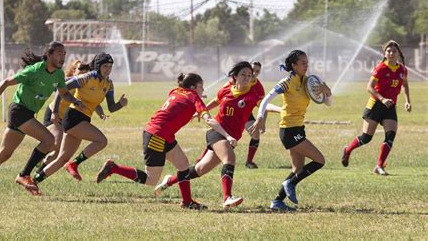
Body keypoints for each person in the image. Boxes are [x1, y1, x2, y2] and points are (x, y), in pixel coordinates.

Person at [0, 41, 83, 199]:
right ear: (49, 55)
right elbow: (5, 83)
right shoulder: (33, 71)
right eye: (59, 53)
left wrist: (75, 100)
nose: (62, 57)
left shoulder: (59, 74)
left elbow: (64, 92)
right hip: (19, 111)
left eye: (64, 54)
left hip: (27, 114)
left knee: (4, 154)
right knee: (49, 141)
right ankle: (24, 175)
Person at [95, 73, 235, 210]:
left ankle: (187, 202)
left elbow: (184, 99)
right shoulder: (193, 98)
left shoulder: (176, 90)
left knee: (183, 164)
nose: (203, 89)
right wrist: (228, 136)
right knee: (151, 180)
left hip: (161, 134)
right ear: (192, 87)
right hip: (157, 136)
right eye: (201, 87)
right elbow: (209, 120)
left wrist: (197, 96)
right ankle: (113, 168)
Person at [154, 61, 264, 209]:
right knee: (229, 158)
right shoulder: (226, 90)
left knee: (200, 170)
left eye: (249, 75)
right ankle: (227, 198)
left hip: (231, 136)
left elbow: (265, 105)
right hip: (217, 132)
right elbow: (216, 101)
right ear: (235, 76)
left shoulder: (253, 94)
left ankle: (170, 180)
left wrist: (266, 116)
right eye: (243, 74)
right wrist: (200, 111)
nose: (246, 77)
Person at [249, 50, 332, 211]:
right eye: (303, 63)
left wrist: (327, 91)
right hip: (289, 130)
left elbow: (328, 103)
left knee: (297, 169)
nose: (306, 66)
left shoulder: (309, 82)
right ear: (293, 65)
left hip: (299, 128)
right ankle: (290, 183)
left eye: (307, 63)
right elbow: (266, 99)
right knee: (320, 160)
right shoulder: (287, 82)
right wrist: (260, 116)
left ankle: (277, 201)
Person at [33, 53, 127, 187]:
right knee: (101, 140)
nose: (108, 69)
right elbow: (62, 89)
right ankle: (74, 163)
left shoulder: (109, 84)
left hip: (84, 119)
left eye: (110, 66)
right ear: (98, 66)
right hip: (73, 117)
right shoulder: (88, 77)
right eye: (105, 66)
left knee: (62, 158)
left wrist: (121, 104)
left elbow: (111, 107)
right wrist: (54, 111)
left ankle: (34, 180)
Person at [341, 40, 411, 175]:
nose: (391, 53)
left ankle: (379, 166)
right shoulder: (381, 68)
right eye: (388, 51)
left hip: (390, 107)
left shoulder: (402, 69)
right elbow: (369, 87)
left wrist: (407, 101)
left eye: (394, 51)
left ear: (398, 53)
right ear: (385, 53)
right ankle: (347, 150)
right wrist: (382, 99)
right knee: (366, 138)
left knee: (390, 136)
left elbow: (405, 85)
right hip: (375, 105)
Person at [37, 60, 91, 173]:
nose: (83, 72)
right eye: (80, 69)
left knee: (58, 152)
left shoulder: (86, 85)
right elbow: (56, 87)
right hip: (53, 115)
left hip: (67, 120)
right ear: (73, 71)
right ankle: (41, 153)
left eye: (86, 71)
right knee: (56, 144)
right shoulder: (67, 81)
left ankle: (39, 172)